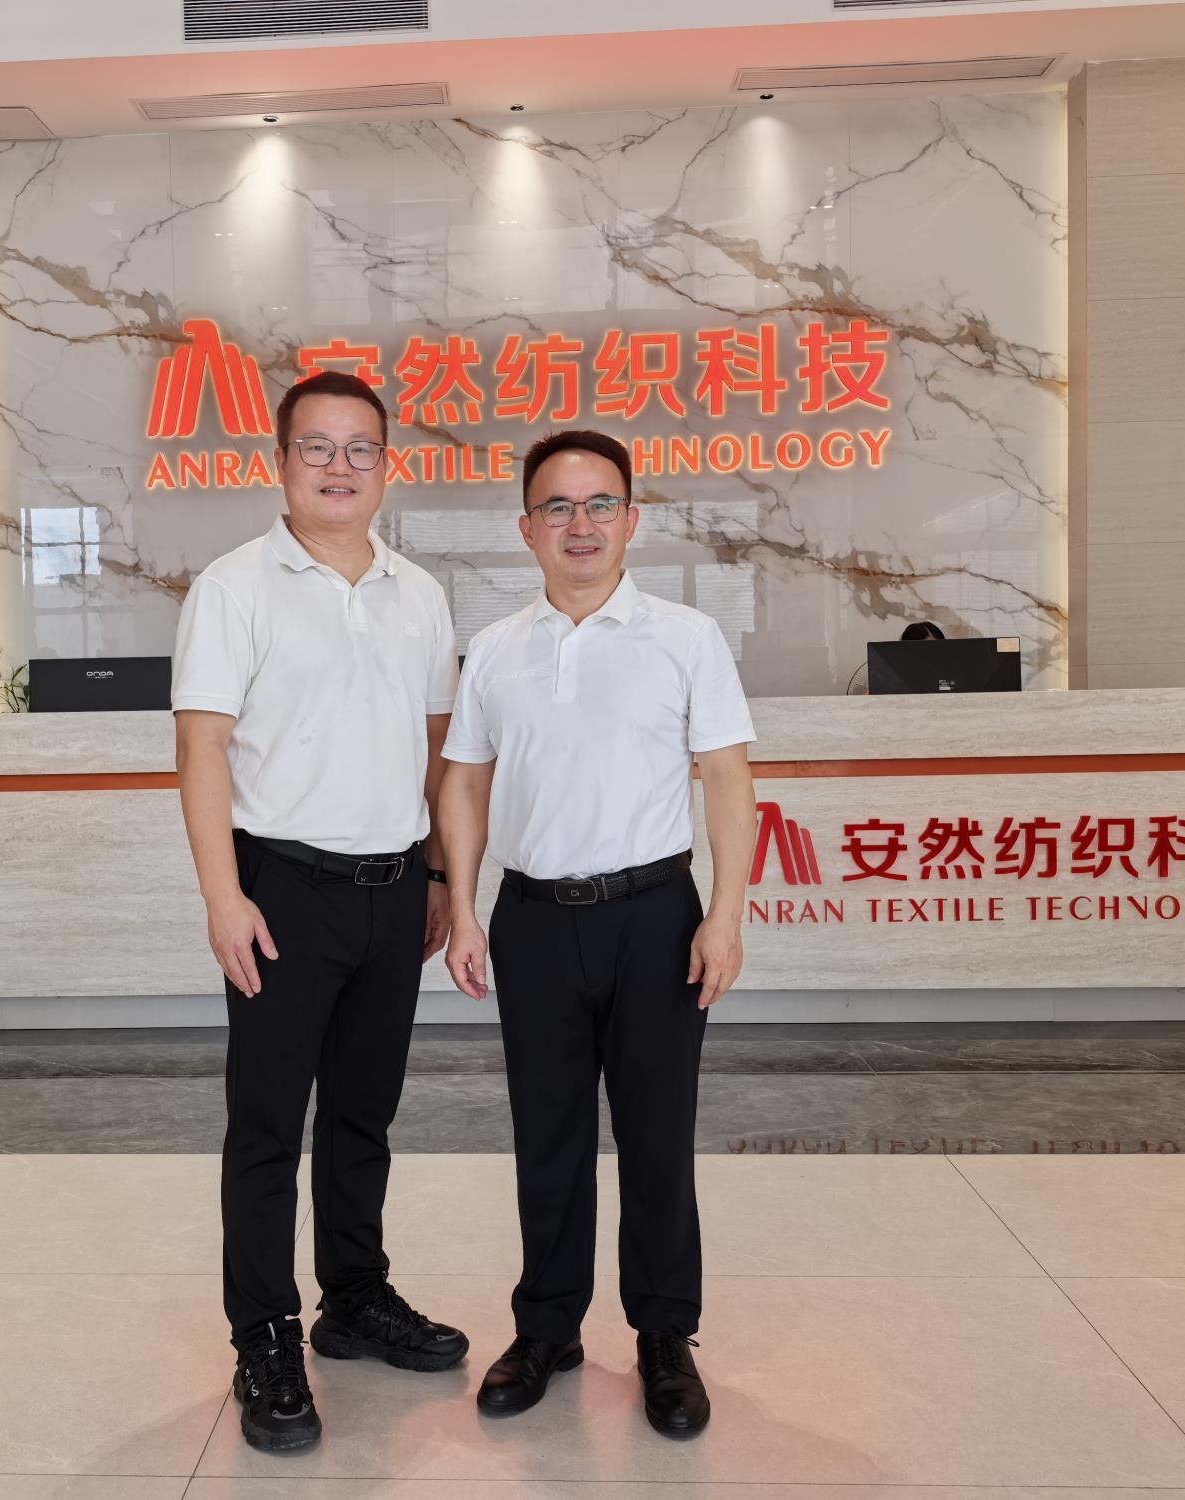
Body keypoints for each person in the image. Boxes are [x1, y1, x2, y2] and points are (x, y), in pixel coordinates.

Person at [171, 369, 469, 1456]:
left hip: (392, 890)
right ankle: (263, 1336)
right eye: (317, 447)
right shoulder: (234, 588)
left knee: (361, 1116)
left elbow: (436, 749)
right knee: (266, 1126)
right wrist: (223, 897)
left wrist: (436, 877)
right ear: (280, 462)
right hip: (281, 891)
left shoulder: (417, 592)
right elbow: (201, 748)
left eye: (359, 449)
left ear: (387, 465)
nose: (339, 467)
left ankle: (354, 1296)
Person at [438, 428, 757, 1438]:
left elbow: (729, 780)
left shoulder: (684, 638)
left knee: (657, 1134)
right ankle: (547, 1329)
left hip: (654, 916)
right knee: (548, 1135)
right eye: (558, 507)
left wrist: (725, 915)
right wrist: (462, 908)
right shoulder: (495, 650)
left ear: (631, 518)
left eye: (599, 504)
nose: (580, 525)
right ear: (526, 526)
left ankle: (664, 1335)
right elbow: (464, 783)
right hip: (533, 919)